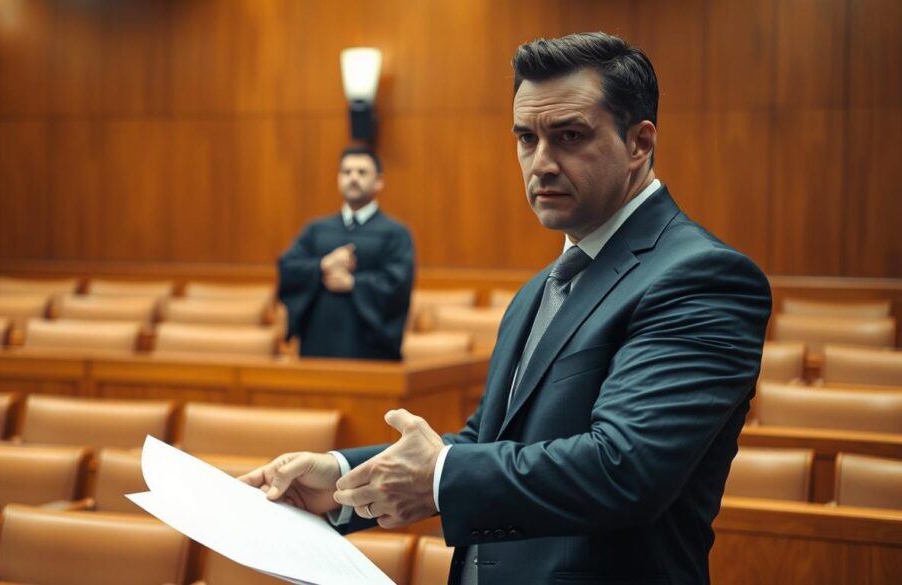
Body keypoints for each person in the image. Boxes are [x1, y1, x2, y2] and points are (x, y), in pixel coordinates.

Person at [245, 33, 771, 585]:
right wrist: (340, 481)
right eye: (526, 138)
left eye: (569, 136)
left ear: (639, 143)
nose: (541, 163)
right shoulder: (541, 288)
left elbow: (624, 468)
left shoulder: (701, 276)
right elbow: (487, 445)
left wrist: (439, 477)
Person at [277, 146, 415, 361]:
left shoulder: (395, 233)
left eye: (362, 172)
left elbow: (398, 284)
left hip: (369, 350)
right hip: (317, 344)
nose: (353, 178)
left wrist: (353, 283)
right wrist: (323, 265)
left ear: (379, 181)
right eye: (346, 172)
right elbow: (288, 268)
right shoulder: (316, 229)